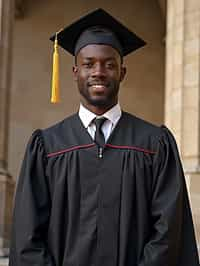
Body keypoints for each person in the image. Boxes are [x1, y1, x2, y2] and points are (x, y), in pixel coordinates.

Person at [9, 8, 199, 266]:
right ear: (75, 72)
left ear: (122, 73)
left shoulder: (154, 145)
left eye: (109, 64)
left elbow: (168, 231)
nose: (98, 72)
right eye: (88, 64)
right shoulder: (47, 147)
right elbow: (28, 234)